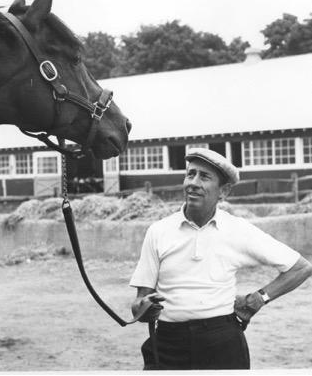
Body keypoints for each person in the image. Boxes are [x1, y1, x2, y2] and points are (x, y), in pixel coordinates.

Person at [130, 147, 312, 370]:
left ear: (223, 191)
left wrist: (258, 299)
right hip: (168, 344)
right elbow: (139, 303)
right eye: (190, 174)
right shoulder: (158, 231)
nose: (193, 183)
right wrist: (144, 308)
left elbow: (300, 268)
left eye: (204, 177)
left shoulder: (238, 229)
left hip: (222, 342)